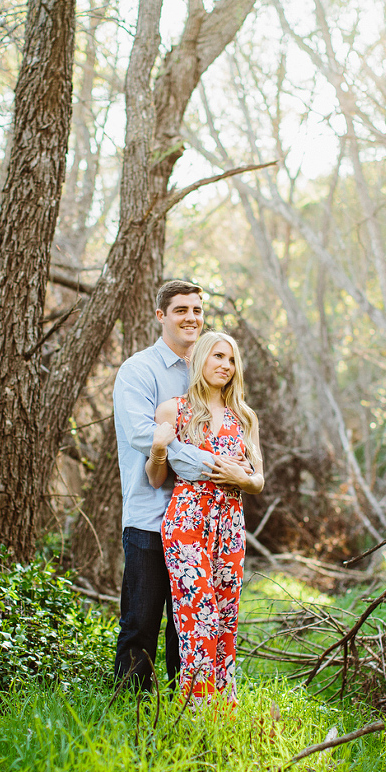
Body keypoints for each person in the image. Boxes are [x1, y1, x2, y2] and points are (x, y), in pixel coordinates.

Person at [147, 331, 264, 705]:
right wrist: (159, 448)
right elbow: (154, 478)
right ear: (200, 359)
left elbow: (259, 480)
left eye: (231, 360)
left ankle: (223, 706)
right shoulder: (173, 410)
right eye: (218, 357)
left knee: (227, 614)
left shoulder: (244, 417)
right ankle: (196, 706)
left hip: (230, 525)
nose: (225, 366)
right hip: (188, 522)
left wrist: (241, 478)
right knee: (199, 616)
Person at [112, 280, 215, 691]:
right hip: (151, 516)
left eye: (196, 310)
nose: (191, 318)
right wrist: (210, 465)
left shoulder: (209, 370)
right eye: (180, 310)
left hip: (197, 519)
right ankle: (130, 707)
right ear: (161, 316)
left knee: (186, 622)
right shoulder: (138, 370)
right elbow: (142, 434)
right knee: (141, 619)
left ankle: (180, 704)